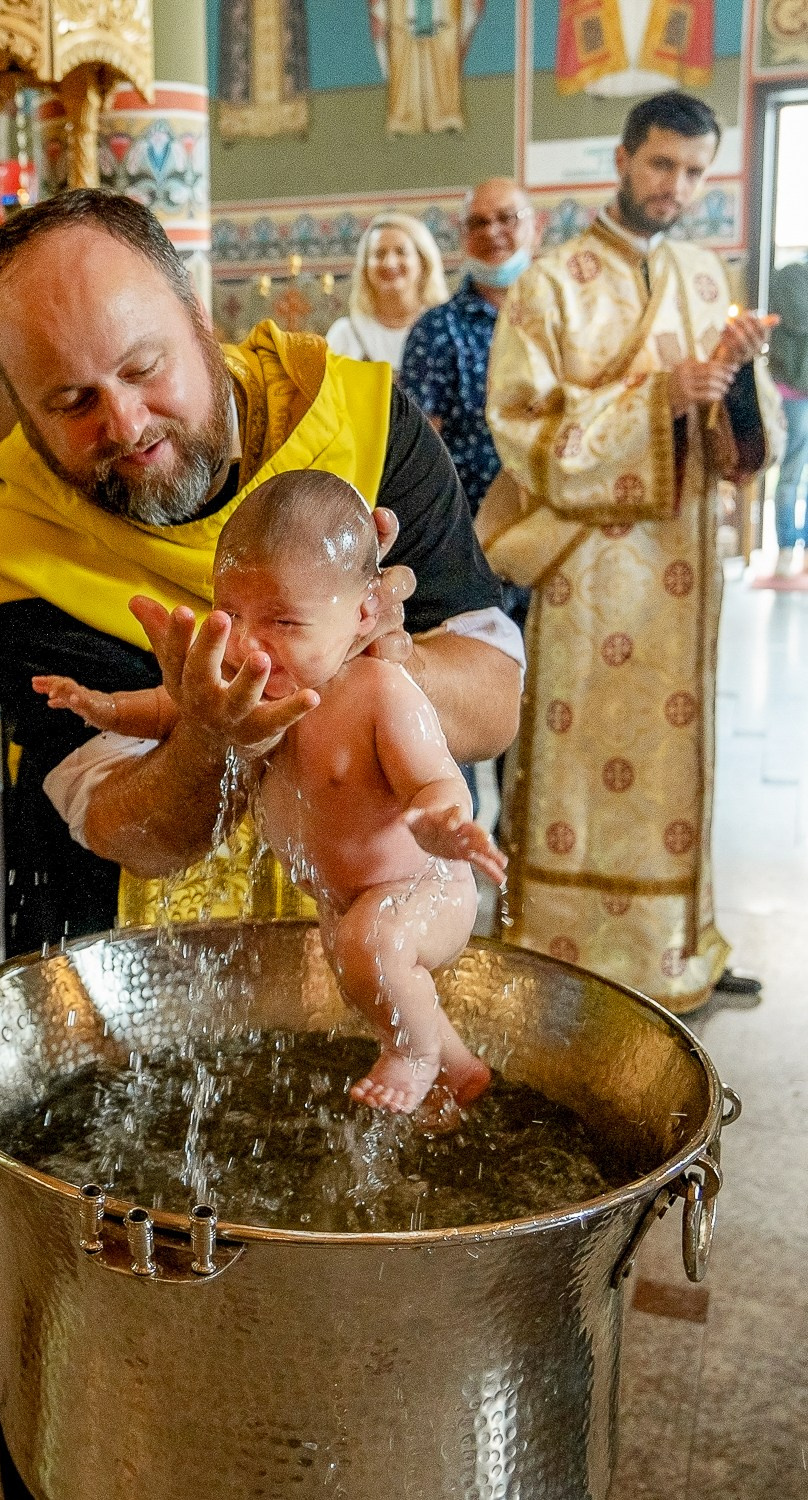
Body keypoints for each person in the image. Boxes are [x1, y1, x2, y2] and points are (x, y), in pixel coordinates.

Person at [0, 190, 524, 956]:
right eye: (72, 400)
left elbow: (493, 709)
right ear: (19, 407)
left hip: (376, 923)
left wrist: (396, 660)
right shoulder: (21, 553)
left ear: (199, 318)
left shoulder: (362, 432)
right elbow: (127, 830)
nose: (126, 425)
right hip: (124, 955)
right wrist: (212, 737)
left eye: (144, 367)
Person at [36, 473, 506, 1114]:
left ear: (364, 614)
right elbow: (164, 708)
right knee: (359, 965)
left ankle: (415, 1055)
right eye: (233, 617)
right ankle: (458, 1067)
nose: (252, 645)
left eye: (284, 620)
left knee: (374, 949)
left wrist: (441, 823)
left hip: (424, 885)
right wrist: (99, 706)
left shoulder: (379, 692)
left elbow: (433, 778)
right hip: (349, 898)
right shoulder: (244, 683)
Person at [485, 90, 784, 1013]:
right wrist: (662, 399)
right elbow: (520, 424)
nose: (677, 187)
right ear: (621, 160)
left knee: (673, 760)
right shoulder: (553, 281)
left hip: (680, 574)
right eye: (662, 165)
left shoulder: (702, 274)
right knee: (582, 760)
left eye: (695, 172)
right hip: (589, 570)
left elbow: (747, 436)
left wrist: (730, 387)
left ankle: (675, 947)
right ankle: (561, 946)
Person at [400, 178, 538, 816]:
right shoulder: (438, 331)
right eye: (478, 223)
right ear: (463, 236)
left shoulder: (553, 316)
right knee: (456, 710)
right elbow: (421, 448)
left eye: (507, 218)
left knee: (539, 718)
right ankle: (458, 845)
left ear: (533, 225)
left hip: (552, 545)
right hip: (464, 551)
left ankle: (529, 860)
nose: (494, 233)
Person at [325, 213, 448, 372]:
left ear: (423, 262)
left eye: (401, 252)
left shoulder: (444, 331)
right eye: (379, 254)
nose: (389, 263)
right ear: (365, 268)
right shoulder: (345, 335)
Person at [768, 258, 808, 574]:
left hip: (795, 387)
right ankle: (786, 547)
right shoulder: (792, 277)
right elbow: (797, 319)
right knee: (790, 472)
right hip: (794, 390)